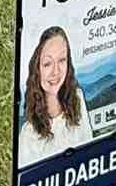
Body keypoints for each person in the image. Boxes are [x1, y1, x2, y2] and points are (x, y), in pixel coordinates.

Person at [19, 25, 85, 168]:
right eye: (47, 64)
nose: (56, 72)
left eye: (62, 60)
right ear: (37, 69)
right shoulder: (28, 135)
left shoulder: (77, 98)